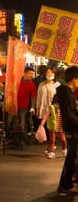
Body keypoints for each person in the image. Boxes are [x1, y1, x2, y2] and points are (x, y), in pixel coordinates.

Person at [54, 66, 78, 194]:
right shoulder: (67, 93)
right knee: (71, 158)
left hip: (70, 128)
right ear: (74, 79)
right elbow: (70, 115)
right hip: (71, 129)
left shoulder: (67, 92)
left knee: (71, 157)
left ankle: (65, 183)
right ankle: (65, 185)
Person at [35, 67, 59, 149]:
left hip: (53, 109)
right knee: (45, 126)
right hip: (43, 108)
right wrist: (37, 108)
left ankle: (52, 144)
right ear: (45, 74)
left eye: (51, 73)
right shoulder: (41, 84)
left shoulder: (57, 85)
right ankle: (50, 144)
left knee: (52, 126)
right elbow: (38, 97)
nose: (49, 74)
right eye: (48, 73)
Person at [17, 67, 37, 145]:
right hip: (14, 106)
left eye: (32, 74)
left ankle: (22, 140)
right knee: (10, 122)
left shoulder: (32, 85)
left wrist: (32, 107)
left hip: (24, 107)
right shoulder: (17, 81)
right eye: (30, 73)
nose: (31, 75)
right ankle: (12, 138)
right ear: (24, 73)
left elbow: (33, 97)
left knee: (22, 124)